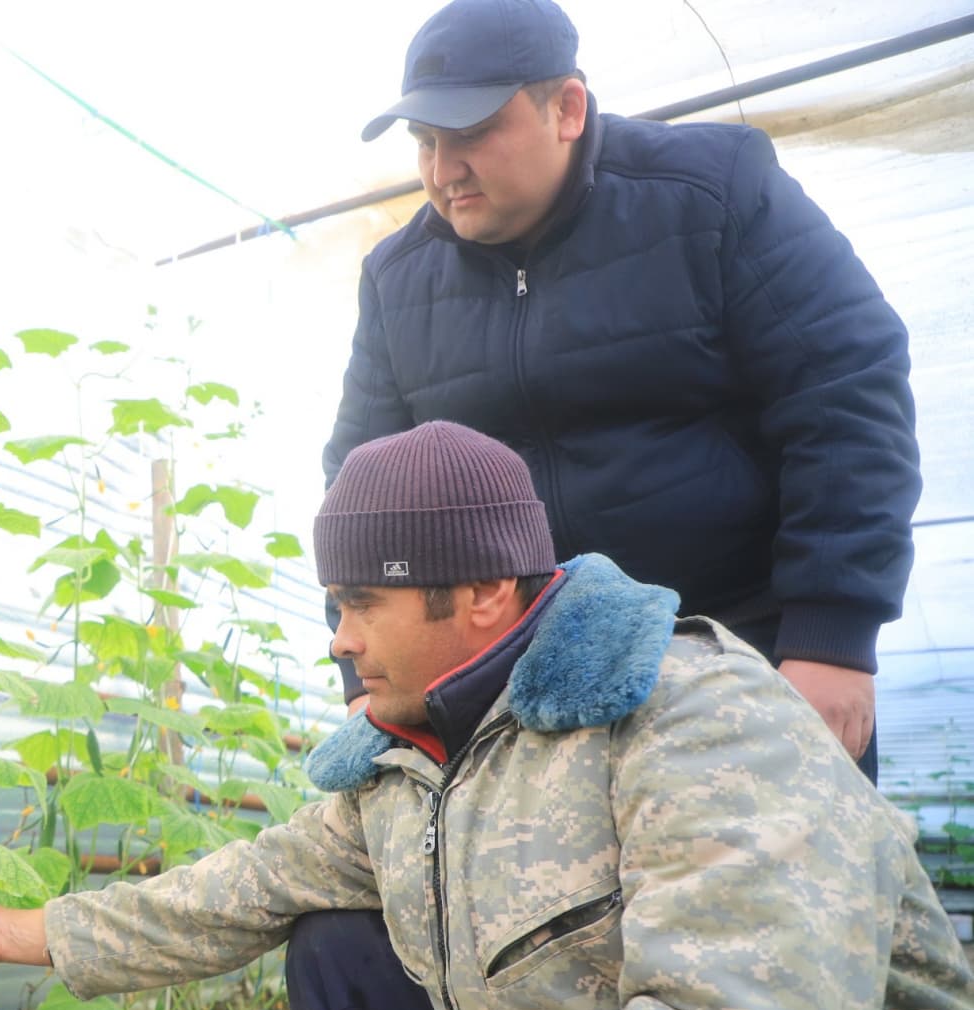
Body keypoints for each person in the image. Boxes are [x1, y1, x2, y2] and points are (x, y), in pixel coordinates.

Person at [0, 422, 974, 1010]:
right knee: (335, 947)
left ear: (486, 588)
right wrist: (19, 931)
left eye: (357, 602)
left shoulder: (696, 720)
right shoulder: (416, 754)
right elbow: (242, 886)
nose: (336, 639)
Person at [320, 0, 921, 779]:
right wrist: (363, 675)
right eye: (424, 142)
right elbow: (361, 493)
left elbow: (845, 390)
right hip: (523, 696)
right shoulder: (399, 279)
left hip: (741, 656)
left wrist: (832, 636)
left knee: (770, 896)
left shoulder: (711, 195)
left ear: (566, 107)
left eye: (468, 135)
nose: (441, 171)